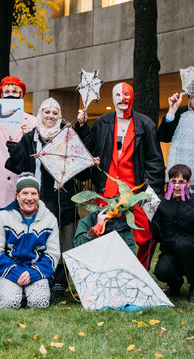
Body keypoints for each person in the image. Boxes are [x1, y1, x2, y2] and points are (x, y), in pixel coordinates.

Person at [5, 97, 95, 296]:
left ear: (60, 116)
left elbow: (81, 169)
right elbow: (17, 165)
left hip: (63, 197)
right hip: (38, 197)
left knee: (64, 239)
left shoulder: (67, 136)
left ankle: (61, 280)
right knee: (40, 239)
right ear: (41, 114)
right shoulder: (30, 137)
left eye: (55, 113)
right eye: (47, 112)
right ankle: (41, 277)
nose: (51, 116)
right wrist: (15, 147)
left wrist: (87, 159)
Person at [77, 82, 165, 269]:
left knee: (144, 235)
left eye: (126, 94)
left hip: (137, 191)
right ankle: (110, 271)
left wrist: (152, 193)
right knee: (107, 233)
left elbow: (155, 161)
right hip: (108, 190)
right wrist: (83, 126)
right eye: (118, 95)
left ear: (132, 97)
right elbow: (87, 151)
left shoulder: (145, 124)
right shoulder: (102, 123)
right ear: (113, 98)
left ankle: (138, 272)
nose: (122, 99)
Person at [0, 76, 37, 285]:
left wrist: (27, 137)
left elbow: (34, 156)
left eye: (15, 93)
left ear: (21, 96)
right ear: (1, 95)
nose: (11, 95)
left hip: (21, 187)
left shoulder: (31, 121)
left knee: (21, 235)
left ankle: (20, 276)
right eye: (6, 92)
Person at [0, 174, 60, 309]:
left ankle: (27, 293)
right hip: (9, 271)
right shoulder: (3, 217)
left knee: (39, 303)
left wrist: (33, 273)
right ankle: (17, 293)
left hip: (37, 271)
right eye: (25, 193)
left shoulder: (50, 219)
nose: (29, 198)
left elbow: (53, 254)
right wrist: (15, 273)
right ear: (17, 195)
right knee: (9, 304)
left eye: (34, 193)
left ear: (39, 195)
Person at [152, 164, 194, 302]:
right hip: (171, 253)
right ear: (169, 182)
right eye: (173, 181)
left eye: (181, 182)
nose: (177, 186)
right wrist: (152, 218)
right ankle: (175, 283)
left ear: (188, 183)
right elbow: (157, 236)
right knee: (161, 271)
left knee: (182, 244)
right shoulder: (162, 204)